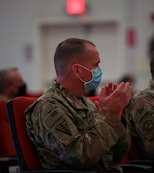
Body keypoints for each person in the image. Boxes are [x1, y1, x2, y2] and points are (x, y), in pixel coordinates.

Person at [25, 38, 132, 172]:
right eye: (95, 65)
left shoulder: (87, 103)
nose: (99, 70)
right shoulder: (48, 106)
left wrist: (116, 116)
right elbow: (78, 157)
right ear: (77, 70)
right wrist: (108, 116)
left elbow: (117, 155)